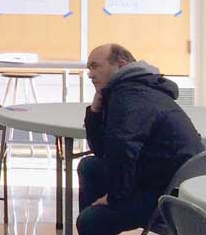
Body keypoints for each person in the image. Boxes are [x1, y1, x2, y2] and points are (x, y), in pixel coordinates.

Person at [76, 44, 204, 235]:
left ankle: (98, 217)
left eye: (95, 66)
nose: (90, 74)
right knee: (90, 166)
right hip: (160, 177)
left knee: (89, 221)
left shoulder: (129, 95)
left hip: (167, 192)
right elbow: (104, 152)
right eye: (89, 68)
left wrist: (113, 198)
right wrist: (95, 111)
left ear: (120, 64)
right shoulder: (136, 88)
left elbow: (123, 148)